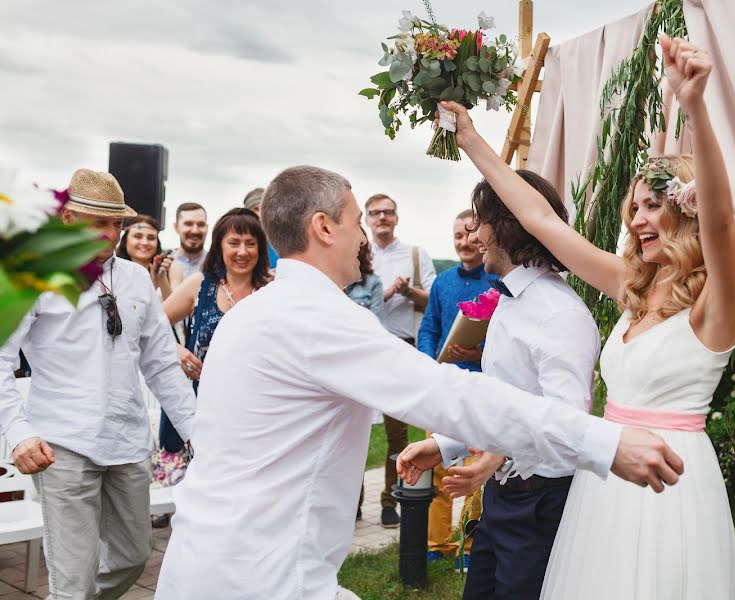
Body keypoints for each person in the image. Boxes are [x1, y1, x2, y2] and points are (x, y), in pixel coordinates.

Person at [155, 165, 684, 600]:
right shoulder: (319, 318)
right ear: (323, 227)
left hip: (200, 562)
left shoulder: (251, 313)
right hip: (265, 576)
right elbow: (450, 395)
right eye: (355, 221)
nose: (363, 236)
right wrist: (603, 441)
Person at [439, 34, 735, 599]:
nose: (637, 220)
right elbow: (539, 219)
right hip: (605, 476)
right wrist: (472, 141)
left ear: (687, 208)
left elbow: (724, 224)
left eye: (653, 205)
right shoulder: (631, 289)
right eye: (634, 209)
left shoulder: (715, 305)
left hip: (672, 483)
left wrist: (696, 108)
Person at [0, 168, 196, 599]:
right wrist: (18, 433)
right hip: (60, 446)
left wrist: (199, 433)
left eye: (116, 224)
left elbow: (162, 364)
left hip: (126, 443)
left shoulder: (135, 279)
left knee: (132, 556)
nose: (110, 233)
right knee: (73, 577)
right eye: (98, 222)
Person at [404, 175, 599, 597]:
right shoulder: (511, 302)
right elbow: (498, 400)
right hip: (503, 500)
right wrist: (444, 445)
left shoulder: (558, 314)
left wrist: (495, 456)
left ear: (508, 224)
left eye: (480, 222)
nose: (474, 235)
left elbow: (569, 425)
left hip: (542, 507)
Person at [415, 208, 497, 567]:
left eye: (469, 235)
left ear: (481, 239)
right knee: (437, 464)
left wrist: (480, 353)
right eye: (457, 236)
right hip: (443, 384)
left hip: (481, 384)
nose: (463, 242)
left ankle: (468, 543)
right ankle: (436, 543)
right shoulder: (442, 282)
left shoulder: (495, 282)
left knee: (476, 465)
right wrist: (425, 360)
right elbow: (429, 327)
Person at [161, 208, 269, 458]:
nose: (242, 252)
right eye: (234, 243)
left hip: (255, 413)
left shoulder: (271, 289)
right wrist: (175, 350)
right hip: (201, 413)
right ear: (219, 246)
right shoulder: (200, 285)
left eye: (250, 244)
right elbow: (151, 325)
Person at [366, 192, 436, 528]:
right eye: (375, 213)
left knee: (396, 432)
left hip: (402, 346)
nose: (382, 218)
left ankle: (389, 499)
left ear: (396, 217)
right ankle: (351, 504)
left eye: (388, 212)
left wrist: (408, 291)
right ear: (366, 219)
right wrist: (389, 292)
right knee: (354, 427)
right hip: (364, 349)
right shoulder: (358, 256)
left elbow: (432, 300)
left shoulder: (415, 255)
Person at [345, 232, 384, 521]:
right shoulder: (330, 284)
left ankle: (356, 503)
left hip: (360, 370)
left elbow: (376, 328)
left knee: (356, 441)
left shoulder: (371, 284)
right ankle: (347, 505)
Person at [116, 214, 184, 300]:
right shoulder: (113, 269)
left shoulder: (172, 270)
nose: (145, 242)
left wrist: (161, 278)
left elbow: (176, 310)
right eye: (138, 236)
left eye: (151, 238)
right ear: (125, 240)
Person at [244, 187, 280, 268]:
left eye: (264, 209)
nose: (260, 214)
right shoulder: (237, 243)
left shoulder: (281, 246)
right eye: (256, 209)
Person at [171, 202, 209, 278]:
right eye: (188, 224)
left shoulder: (217, 265)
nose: (195, 231)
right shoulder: (164, 265)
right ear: (176, 227)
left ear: (207, 228)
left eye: (201, 224)